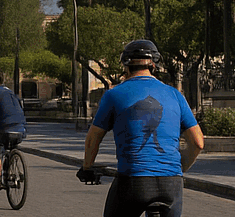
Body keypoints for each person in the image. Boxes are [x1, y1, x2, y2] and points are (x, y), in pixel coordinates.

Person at [78, 40, 204, 217]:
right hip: (171, 183)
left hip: (133, 180)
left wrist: (87, 167)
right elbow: (198, 142)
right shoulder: (176, 95)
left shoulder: (114, 94)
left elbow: (94, 137)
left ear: (126, 65)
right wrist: (179, 168)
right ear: (154, 65)